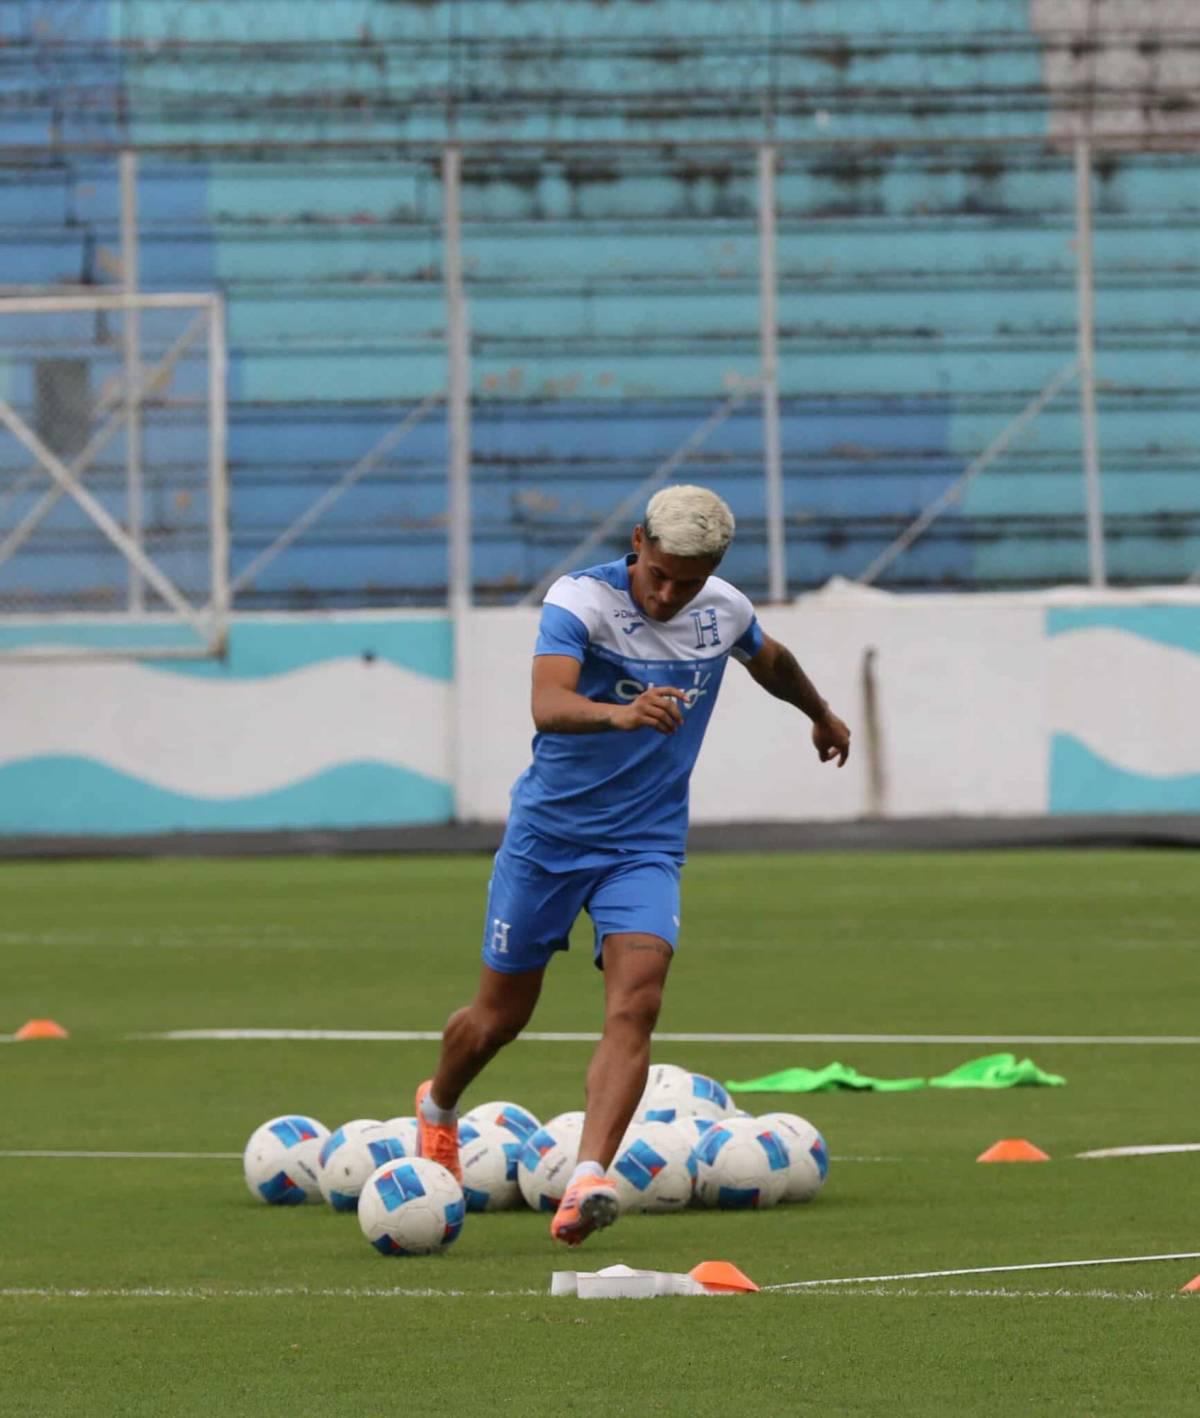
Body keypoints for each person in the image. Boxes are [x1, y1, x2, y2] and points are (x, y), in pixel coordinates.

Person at [415, 484, 851, 1245]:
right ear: (638, 540)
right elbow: (547, 703)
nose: (671, 594)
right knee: (497, 1020)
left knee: (638, 1002)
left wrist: (819, 713)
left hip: (644, 845)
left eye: (691, 581)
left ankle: (587, 1180)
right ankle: (438, 1106)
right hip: (548, 840)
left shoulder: (723, 610)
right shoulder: (580, 600)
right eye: (661, 574)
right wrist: (621, 711)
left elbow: (771, 660)